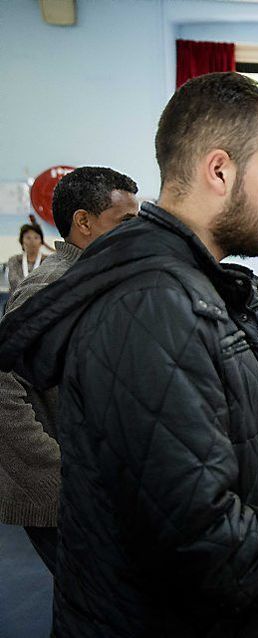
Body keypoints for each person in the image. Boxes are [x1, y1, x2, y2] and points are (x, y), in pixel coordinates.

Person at [0, 72, 258, 637]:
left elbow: (231, 477)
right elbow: (199, 539)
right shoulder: (151, 306)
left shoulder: (187, 288)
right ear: (219, 170)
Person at [0, 166, 139, 576]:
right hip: (66, 495)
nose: (134, 234)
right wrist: (62, 470)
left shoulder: (97, 278)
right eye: (124, 223)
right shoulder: (49, 288)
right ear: (84, 222)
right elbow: (5, 391)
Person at [6, 224, 46, 292]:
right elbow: (13, 283)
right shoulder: (14, 260)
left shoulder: (48, 261)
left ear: (41, 241)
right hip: (17, 300)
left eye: (36, 237)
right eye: (28, 238)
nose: (32, 241)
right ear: (22, 241)